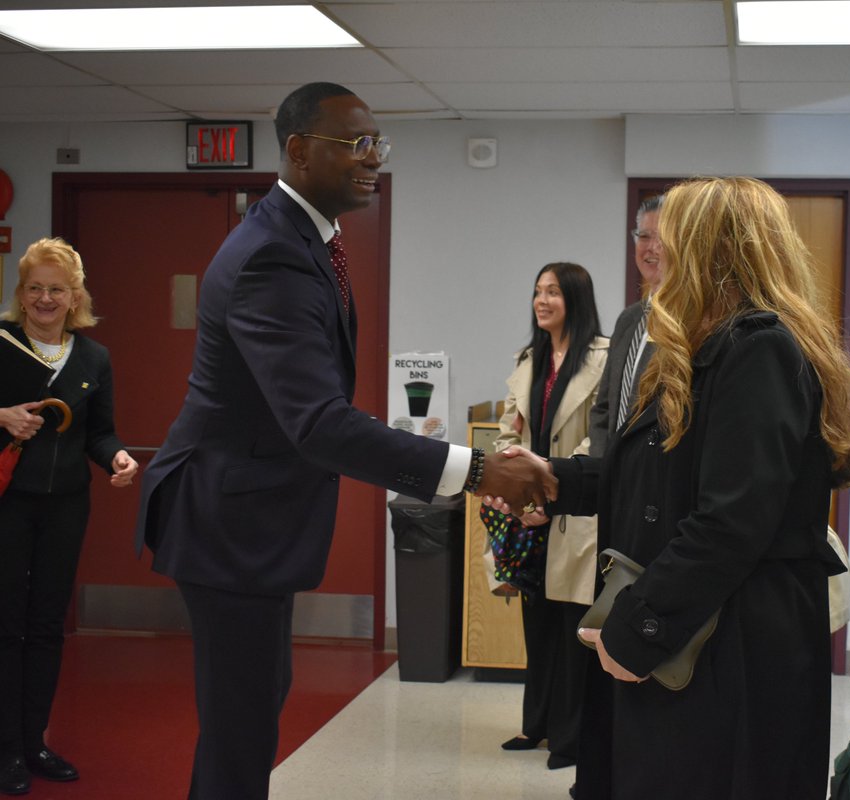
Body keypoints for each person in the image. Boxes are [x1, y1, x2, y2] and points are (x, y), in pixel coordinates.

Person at [133, 82, 553, 800]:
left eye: (376, 146)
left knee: (250, 716)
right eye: (356, 145)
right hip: (228, 524)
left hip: (246, 519)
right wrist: (478, 470)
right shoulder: (272, 253)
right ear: (299, 151)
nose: (372, 160)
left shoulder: (305, 240)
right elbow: (319, 424)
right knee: (240, 729)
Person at [496, 177, 850, 799]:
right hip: (698, 630)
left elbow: (730, 521)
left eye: (673, 240)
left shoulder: (758, 351)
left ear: (714, 252)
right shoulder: (706, 345)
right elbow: (660, 473)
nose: (656, 255)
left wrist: (635, 628)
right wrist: (556, 478)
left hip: (728, 644)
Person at [0, 238, 139, 796]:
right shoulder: (3, 343)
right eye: (34, 288)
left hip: (66, 506)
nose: (44, 299)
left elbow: (99, 432)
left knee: (46, 627)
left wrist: (117, 458)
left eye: (56, 289)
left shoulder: (93, 358)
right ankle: (6, 749)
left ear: (75, 294)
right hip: (8, 503)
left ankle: (34, 741)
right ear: (21, 293)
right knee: (6, 627)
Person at [493, 263, 607, 771]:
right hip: (529, 513)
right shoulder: (527, 358)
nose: (542, 301)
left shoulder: (602, 358)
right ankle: (533, 724)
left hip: (572, 508)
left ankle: (569, 739)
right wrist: (517, 485)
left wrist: (549, 488)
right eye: (537, 291)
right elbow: (507, 429)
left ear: (576, 299)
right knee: (535, 622)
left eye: (553, 292)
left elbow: (597, 440)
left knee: (570, 629)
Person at [588, 196, 662, 456]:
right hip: (611, 475)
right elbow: (604, 408)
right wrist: (600, 467)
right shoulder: (629, 319)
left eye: (662, 238)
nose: (651, 247)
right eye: (643, 236)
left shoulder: (694, 322)